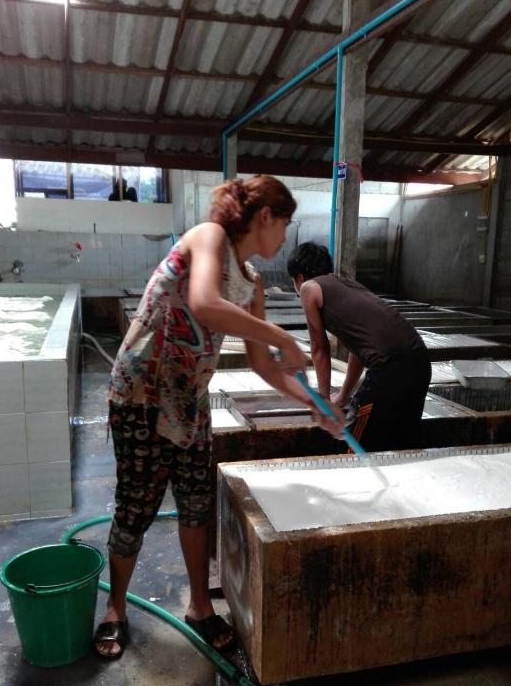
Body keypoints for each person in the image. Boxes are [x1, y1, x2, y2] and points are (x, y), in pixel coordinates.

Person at [93, 177, 344, 660]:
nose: (284, 237)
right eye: (284, 224)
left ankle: (200, 607)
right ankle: (115, 607)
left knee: (196, 505)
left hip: (189, 402)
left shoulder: (252, 284)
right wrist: (281, 335)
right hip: (143, 396)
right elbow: (205, 303)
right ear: (265, 216)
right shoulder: (208, 237)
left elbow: (262, 364)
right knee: (135, 508)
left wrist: (315, 403)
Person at [287, 242, 431, 453]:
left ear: (299, 278)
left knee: (354, 449)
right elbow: (358, 349)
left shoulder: (309, 288)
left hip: (390, 369)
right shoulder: (349, 286)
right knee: (401, 449)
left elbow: (319, 348)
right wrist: (343, 396)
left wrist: (324, 401)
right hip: (420, 363)